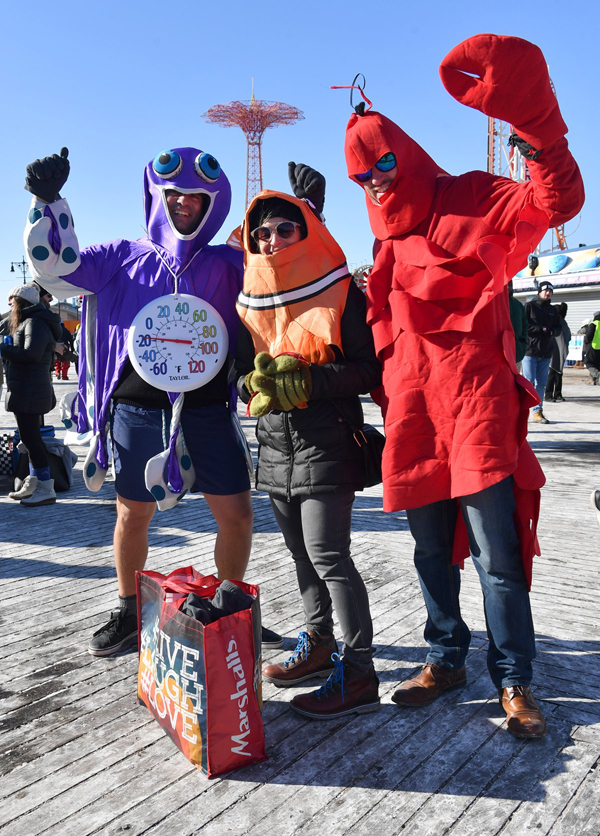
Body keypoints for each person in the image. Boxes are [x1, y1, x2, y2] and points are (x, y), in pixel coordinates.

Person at [342, 33, 584, 738]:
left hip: (475, 409)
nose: (377, 180)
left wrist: (537, 128)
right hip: (415, 415)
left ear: (408, 152)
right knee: (426, 550)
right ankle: (445, 658)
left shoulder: (473, 195)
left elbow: (558, 202)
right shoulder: (383, 247)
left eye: (384, 162)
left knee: (496, 556)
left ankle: (514, 679)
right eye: (363, 176)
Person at [24, 146, 281, 656]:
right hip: (136, 408)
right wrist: (49, 204)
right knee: (131, 514)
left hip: (208, 409)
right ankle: (129, 609)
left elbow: (286, 282)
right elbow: (54, 270)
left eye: (196, 196)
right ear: (156, 195)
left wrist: (308, 215)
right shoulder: (123, 256)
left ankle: (230, 608)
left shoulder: (231, 263)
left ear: (214, 202)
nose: (184, 203)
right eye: (174, 194)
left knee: (237, 514)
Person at [234, 181, 381, 719]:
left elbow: (369, 368)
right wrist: (252, 386)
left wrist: (313, 381)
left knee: (329, 555)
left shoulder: (343, 291)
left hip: (328, 440)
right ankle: (318, 643)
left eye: (284, 229)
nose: (271, 240)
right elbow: (236, 371)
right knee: (301, 556)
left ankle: (360, 670)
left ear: (308, 231)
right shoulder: (250, 300)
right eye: (262, 232)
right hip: (274, 444)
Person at [1, 283, 62, 506]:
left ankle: (45, 487)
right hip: (27, 389)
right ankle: (35, 482)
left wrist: (3, 349)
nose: (9, 304)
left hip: (30, 391)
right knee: (30, 439)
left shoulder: (35, 322)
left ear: (22, 302)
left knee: (31, 439)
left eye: (12, 300)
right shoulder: (28, 322)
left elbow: (31, 355)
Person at [523, 281, 562, 422]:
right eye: (545, 290)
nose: (548, 293)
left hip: (546, 352)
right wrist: (540, 329)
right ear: (539, 291)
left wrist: (552, 331)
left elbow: (559, 328)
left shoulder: (553, 310)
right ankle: (521, 411)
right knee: (528, 382)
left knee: (541, 384)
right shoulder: (530, 306)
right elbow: (524, 326)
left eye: (550, 291)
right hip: (530, 351)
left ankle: (537, 411)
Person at [545, 302, 571, 401]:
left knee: (558, 372)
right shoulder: (555, 322)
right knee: (553, 372)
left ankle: (557, 393)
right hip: (554, 351)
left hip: (561, 351)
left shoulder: (561, 322)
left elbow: (567, 336)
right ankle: (548, 394)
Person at [508, 280, 528, 370]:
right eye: (505, 285)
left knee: (514, 382)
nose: (507, 287)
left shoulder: (518, 305)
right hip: (498, 355)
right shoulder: (493, 303)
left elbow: (525, 327)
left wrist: (523, 346)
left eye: (509, 285)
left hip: (517, 352)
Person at [583, 313, 600, 385]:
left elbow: (588, 337)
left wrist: (586, 342)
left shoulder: (593, 324)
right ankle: (593, 380)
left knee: (589, 363)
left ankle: (598, 374)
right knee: (598, 364)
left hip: (593, 346)